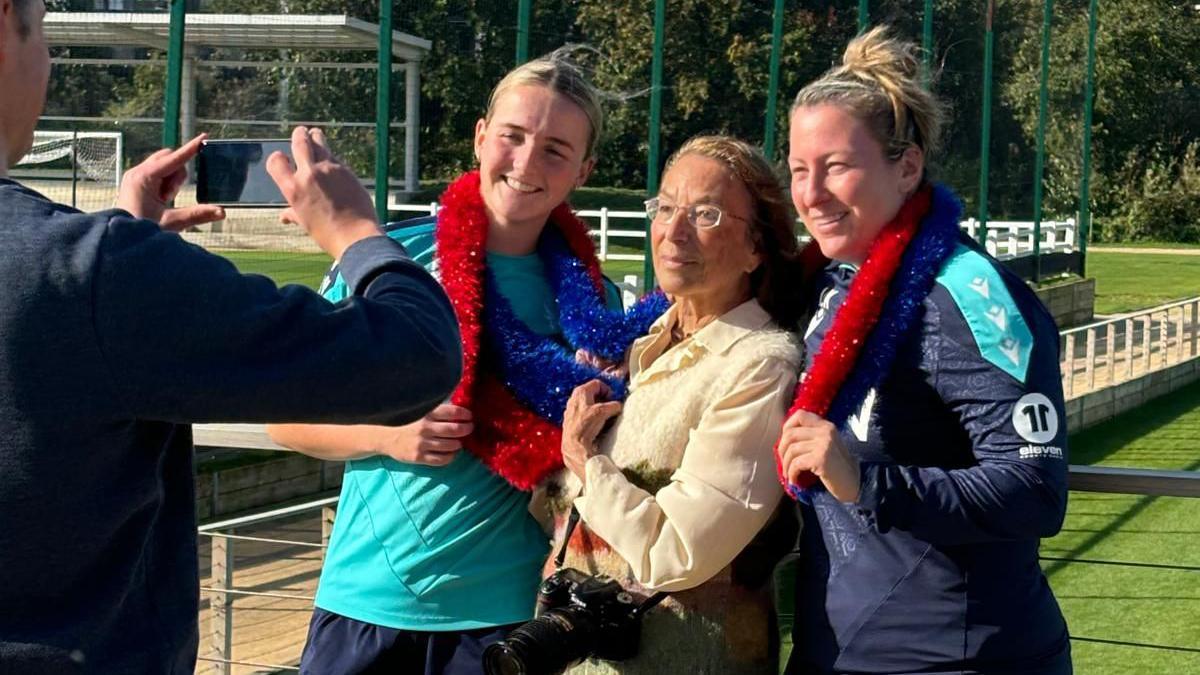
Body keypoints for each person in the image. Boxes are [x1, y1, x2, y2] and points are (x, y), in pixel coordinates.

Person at [0, 1, 463, 673]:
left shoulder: (90, 274)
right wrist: (355, 231)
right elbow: (414, 354)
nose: (48, 57)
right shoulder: (91, 273)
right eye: (42, 29)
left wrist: (121, 247)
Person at [267, 52, 655, 675]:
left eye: (556, 149)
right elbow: (284, 417)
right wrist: (389, 438)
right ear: (480, 137)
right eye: (513, 136)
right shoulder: (393, 263)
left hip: (503, 619)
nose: (527, 162)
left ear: (584, 169)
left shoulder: (595, 306)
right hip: (367, 599)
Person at [775, 27, 1072, 674]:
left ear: (906, 166)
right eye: (799, 169)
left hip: (960, 660)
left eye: (836, 167)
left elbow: (1035, 491)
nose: (811, 193)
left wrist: (868, 483)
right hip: (834, 653)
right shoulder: (827, 284)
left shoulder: (970, 297)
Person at [533, 135, 806, 674]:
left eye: (705, 213)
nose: (673, 231)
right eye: (665, 207)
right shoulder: (647, 347)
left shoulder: (759, 364)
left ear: (757, 248)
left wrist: (585, 464)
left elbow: (676, 551)